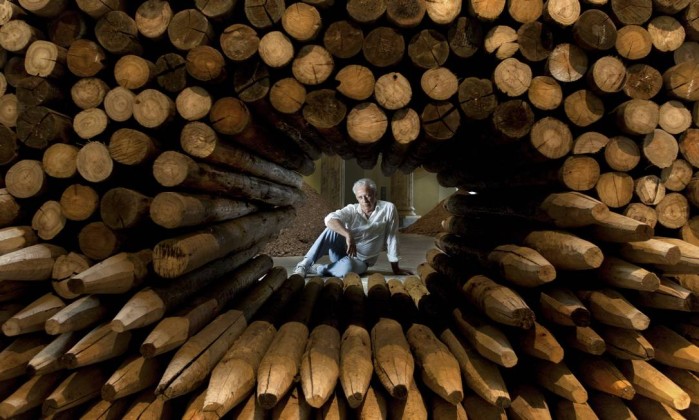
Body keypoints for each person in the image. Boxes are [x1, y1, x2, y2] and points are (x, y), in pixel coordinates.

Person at [293, 178, 413, 278]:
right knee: (331, 228)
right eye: (360, 197)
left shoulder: (388, 208)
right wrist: (348, 235)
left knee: (348, 268)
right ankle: (303, 265)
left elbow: (392, 238)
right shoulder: (352, 209)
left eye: (368, 196)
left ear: (375, 194)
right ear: (356, 197)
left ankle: (319, 269)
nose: (364, 200)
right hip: (343, 253)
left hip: (361, 262)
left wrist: (396, 268)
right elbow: (329, 219)